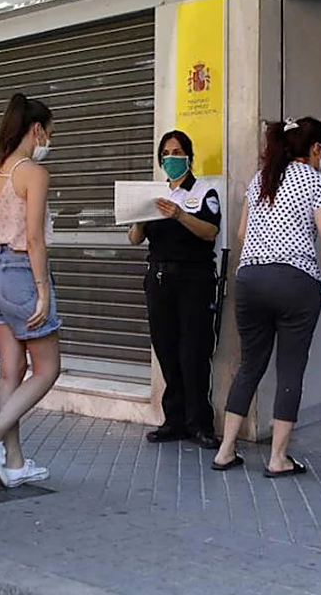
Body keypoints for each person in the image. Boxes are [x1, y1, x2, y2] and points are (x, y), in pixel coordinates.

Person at [212, 118, 321, 476]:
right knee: (290, 369)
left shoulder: (261, 179)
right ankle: (278, 459)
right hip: (296, 281)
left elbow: (241, 234)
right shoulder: (318, 182)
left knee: (250, 364)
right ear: (315, 148)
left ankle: (225, 450)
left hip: (251, 278)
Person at [0, 93, 62, 487]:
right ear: (36, 129)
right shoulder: (33, 173)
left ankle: (13, 461)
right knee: (47, 369)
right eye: (49, 132)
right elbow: (35, 238)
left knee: (11, 371)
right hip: (22, 274)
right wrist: (42, 289)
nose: (49, 141)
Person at [128, 130, 222, 449]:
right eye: (166, 153)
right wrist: (141, 214)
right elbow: (134, 238)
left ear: (189, 156)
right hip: (159, 280)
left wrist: (180, 215)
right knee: (166, 349)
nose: (171, 158)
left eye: (177, 152)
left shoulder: (203, 192)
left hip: (194, 280)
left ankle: (200, 423)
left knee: (194, 351)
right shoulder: (155, 194)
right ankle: (174, 420)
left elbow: (210, 232)